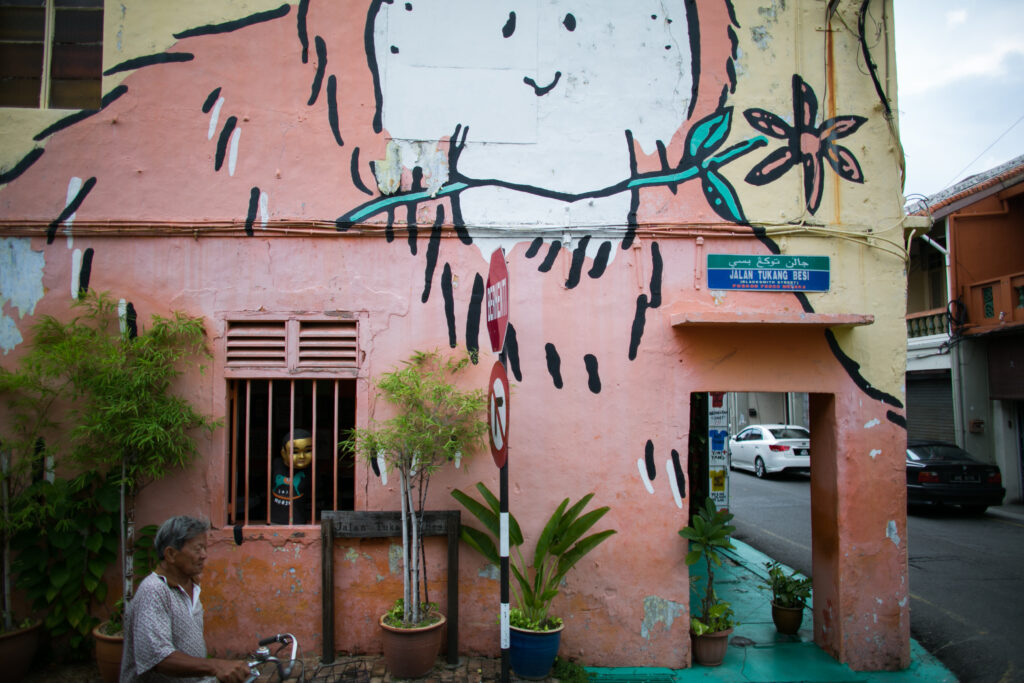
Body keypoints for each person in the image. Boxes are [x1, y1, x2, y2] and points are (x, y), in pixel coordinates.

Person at [120, 516, 250, 683]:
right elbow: (158, 658)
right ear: (171, 554)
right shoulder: (154, 591)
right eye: (197, 549)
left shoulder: (192, 585)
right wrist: (216, 666)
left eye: (204, 548)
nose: (204, 555)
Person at [270, 428, 313, 525]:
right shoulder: (275, 465)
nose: (302, 456)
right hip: (274, 521)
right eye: (295, 452)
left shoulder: (311, 470)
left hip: (300, 521)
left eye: (308, 450)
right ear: (283, 453)